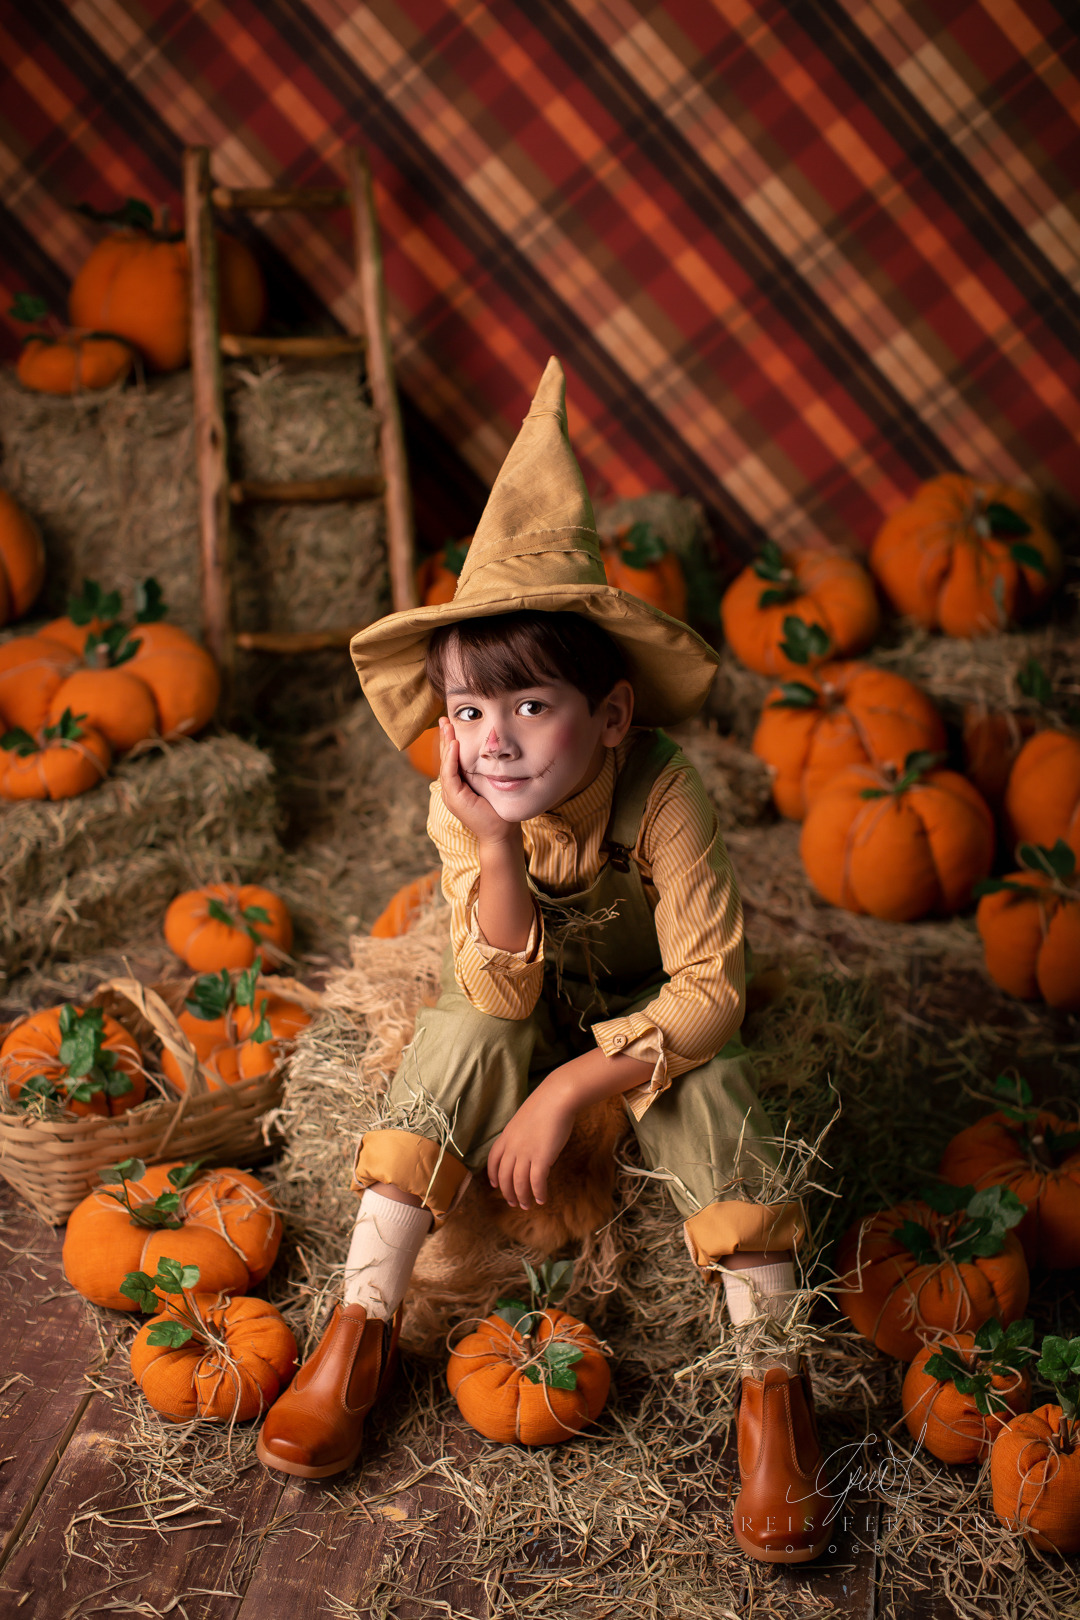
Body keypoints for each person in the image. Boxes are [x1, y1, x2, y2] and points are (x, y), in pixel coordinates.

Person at [257, 358, 834, 1562]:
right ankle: (357, 1331)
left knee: (725, 1087)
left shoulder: (669, 793)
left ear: (611, 717)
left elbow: (714, 993)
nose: (494, 741)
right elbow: (493, 990)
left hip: (646, 1027)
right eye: (469, 711)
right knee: (456, 1034)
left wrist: (575, 1086)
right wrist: (495, 849)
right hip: (523, 1005)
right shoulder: (467, 800)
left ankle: (773, 1399)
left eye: (531, 707)